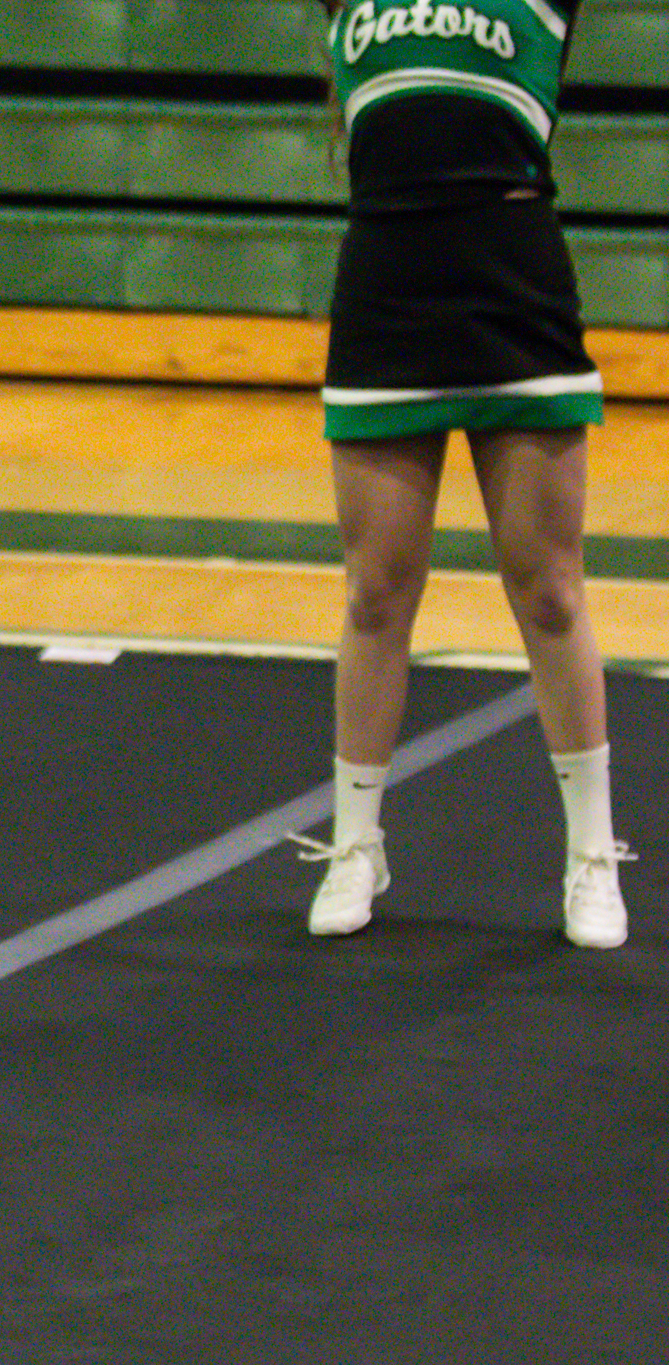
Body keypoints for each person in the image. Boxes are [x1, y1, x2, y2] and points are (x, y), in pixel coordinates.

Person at [299, 0, 632, 946]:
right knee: (376, 588)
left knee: (552, 588)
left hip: (512, 283)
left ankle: (591, 853)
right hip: (386, 287)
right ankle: (356, 843)